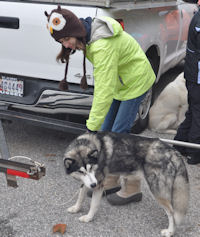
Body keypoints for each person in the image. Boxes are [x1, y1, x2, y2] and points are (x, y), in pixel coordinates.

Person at [45, 6, 156, 205]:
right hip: (120, 83)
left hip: (136, 81)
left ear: (74, 30)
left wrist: (91, 126)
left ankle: (133, 187)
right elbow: (106, 86)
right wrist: (97, 127)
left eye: (65, 39)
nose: (66, 45)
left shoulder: (102, 46)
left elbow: (103, 90)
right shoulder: (87, 35)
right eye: (62, 42)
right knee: (106, 133)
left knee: (118, 136)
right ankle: (110, 180)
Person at [174, 6, 200, 165]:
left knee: (193, 112)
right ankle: (194, 153)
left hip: (193, 75)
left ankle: (179, 145)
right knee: (198, 114)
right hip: (196, 76)